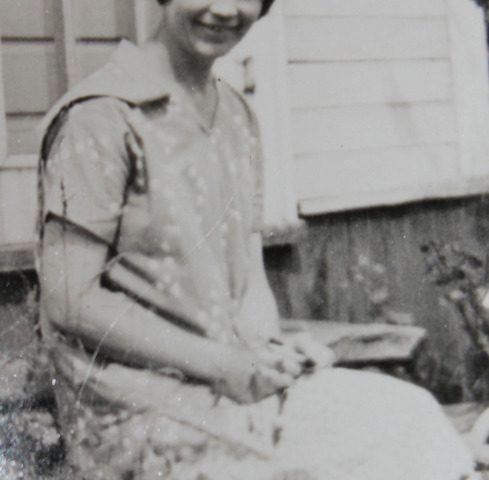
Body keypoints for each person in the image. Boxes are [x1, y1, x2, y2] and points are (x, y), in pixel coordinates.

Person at [37, 0, 480, 478]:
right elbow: (71, 301)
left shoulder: (236, 115)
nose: (225, 9)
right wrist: (224, 364)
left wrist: (270, 353)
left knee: (409, 416)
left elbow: (248, 280)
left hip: (226, 391)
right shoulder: (102, 117)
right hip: (135, 414)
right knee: (354, 460)